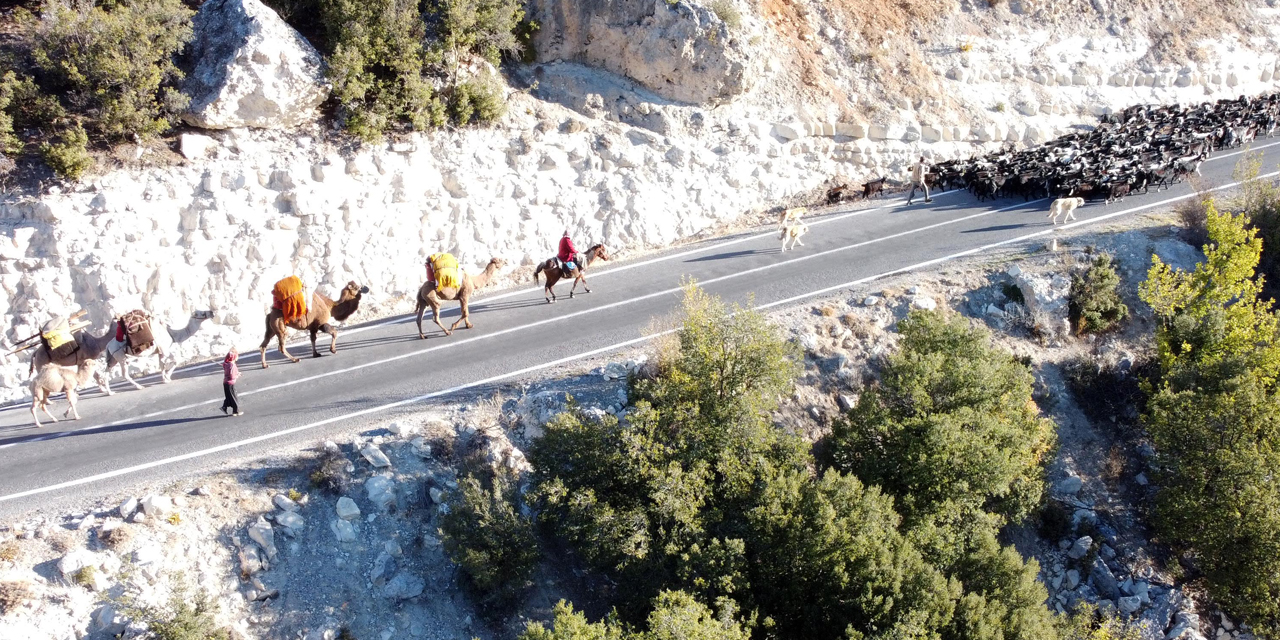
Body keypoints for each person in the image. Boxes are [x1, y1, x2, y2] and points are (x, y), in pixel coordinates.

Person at [220, 349, 242, 416]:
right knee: (234, 397)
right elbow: (232, 376)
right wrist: (237, 375)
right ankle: (236, 411)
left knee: (229, 397)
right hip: (230, 384)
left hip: (225, 383)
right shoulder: (232, 365)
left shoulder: (226, 364)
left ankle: (224, 406)